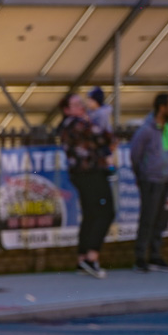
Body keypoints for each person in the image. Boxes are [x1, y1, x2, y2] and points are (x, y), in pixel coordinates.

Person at [57, 93, 116, 279]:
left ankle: (82, 258)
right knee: (106, 212)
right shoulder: (77, 123)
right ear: (67, 110)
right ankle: (91, 258)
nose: (81, 106)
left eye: (81, 103)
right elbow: (106, 138)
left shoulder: (70, 125)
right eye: (76, 104)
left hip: (83, 174)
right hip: (91, 174)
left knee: (91, 214)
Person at [130, 93, 168, 273]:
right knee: (148, 219)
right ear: (162, 107)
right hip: (150, 180)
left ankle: (156, 255)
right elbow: (135, 154)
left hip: (166, 180)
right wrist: (141, 175)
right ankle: (140, 257)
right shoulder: (146, 130)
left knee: (162, 219)